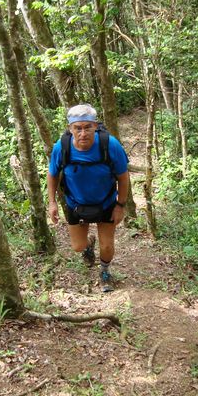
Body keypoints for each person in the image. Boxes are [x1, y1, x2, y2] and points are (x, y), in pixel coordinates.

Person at [47, 104, 129, 292]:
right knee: (78, 246)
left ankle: (105, 272)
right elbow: (52, 174)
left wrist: (120, 205)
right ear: (70, 128)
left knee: (107, 246)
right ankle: (88, 244)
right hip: (76, 204)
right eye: (78, 128)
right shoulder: (62, 147)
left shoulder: (110, 145)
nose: (83, 133)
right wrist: (52, 202)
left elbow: (123, 177)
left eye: (87, 127)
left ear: (95, 126)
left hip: (106, 202)